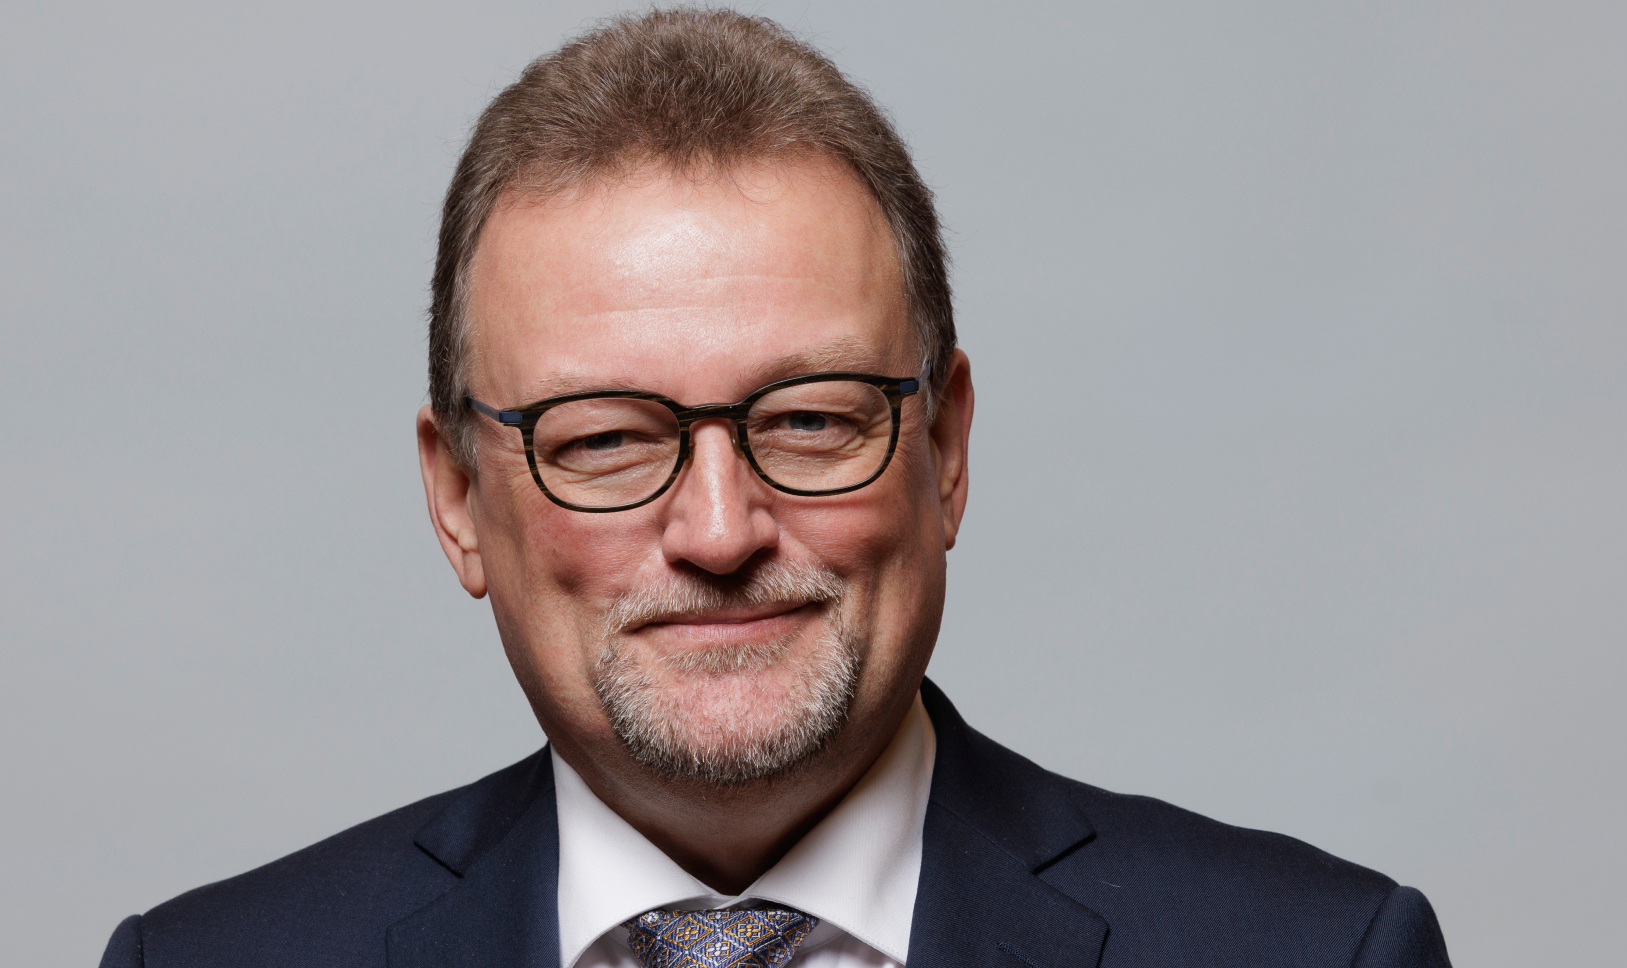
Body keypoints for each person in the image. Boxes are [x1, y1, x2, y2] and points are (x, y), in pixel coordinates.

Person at [99, 9, 1451, 967]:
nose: (721, 530)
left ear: (948, 451)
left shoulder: (1316, 952)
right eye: (606, 439)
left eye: (807, 420)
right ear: (458, 499)